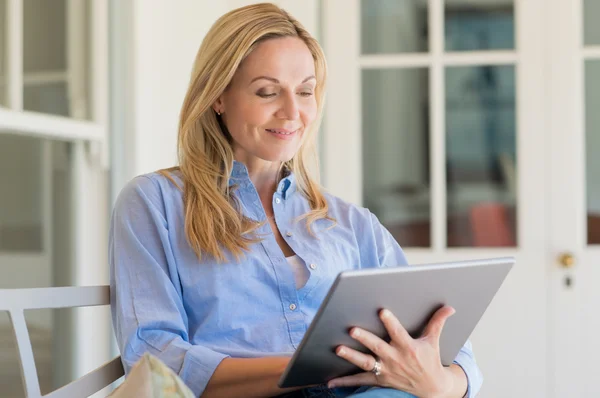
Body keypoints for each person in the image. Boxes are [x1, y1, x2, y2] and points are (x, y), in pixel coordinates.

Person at [109, 3, 483, 397]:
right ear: (218, 96)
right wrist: (320, 366)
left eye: (305, 91)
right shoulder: (155, 203)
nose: (292, 112)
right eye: (267, 91)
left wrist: (436, 383)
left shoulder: (351, 224)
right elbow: (154, 357)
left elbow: (453, 355)